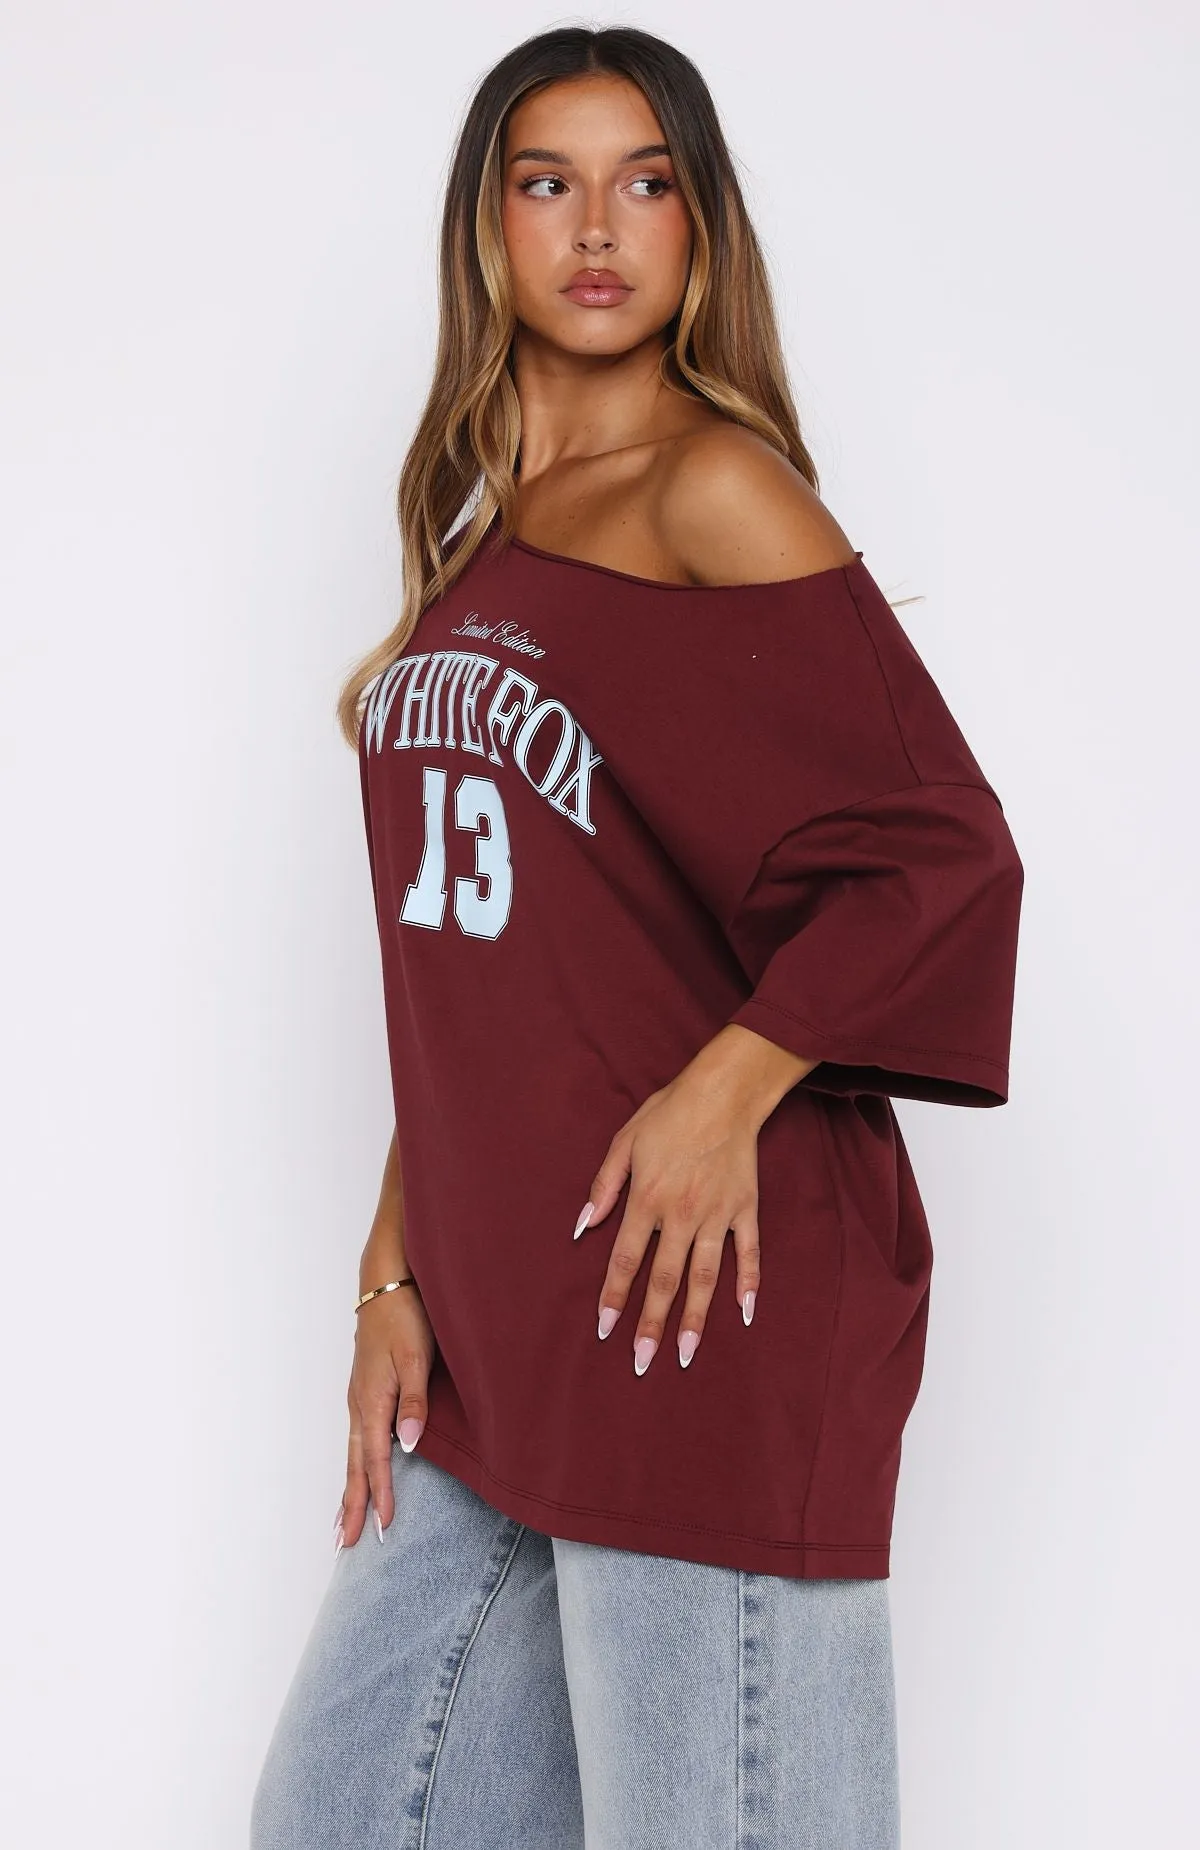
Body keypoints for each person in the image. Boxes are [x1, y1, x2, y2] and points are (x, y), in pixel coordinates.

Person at [250, 24, 1024, 1850]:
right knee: (343, 1819)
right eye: (549, 182)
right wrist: (392, 1262)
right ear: (489, 226)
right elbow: (487, 959)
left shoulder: (711, 489)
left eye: (645, 182)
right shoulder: (488, 539)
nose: (596, 228)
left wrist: (725, 1087)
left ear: (699, 225)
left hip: (694, 1309)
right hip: (501, 1323)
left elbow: (943, 852)